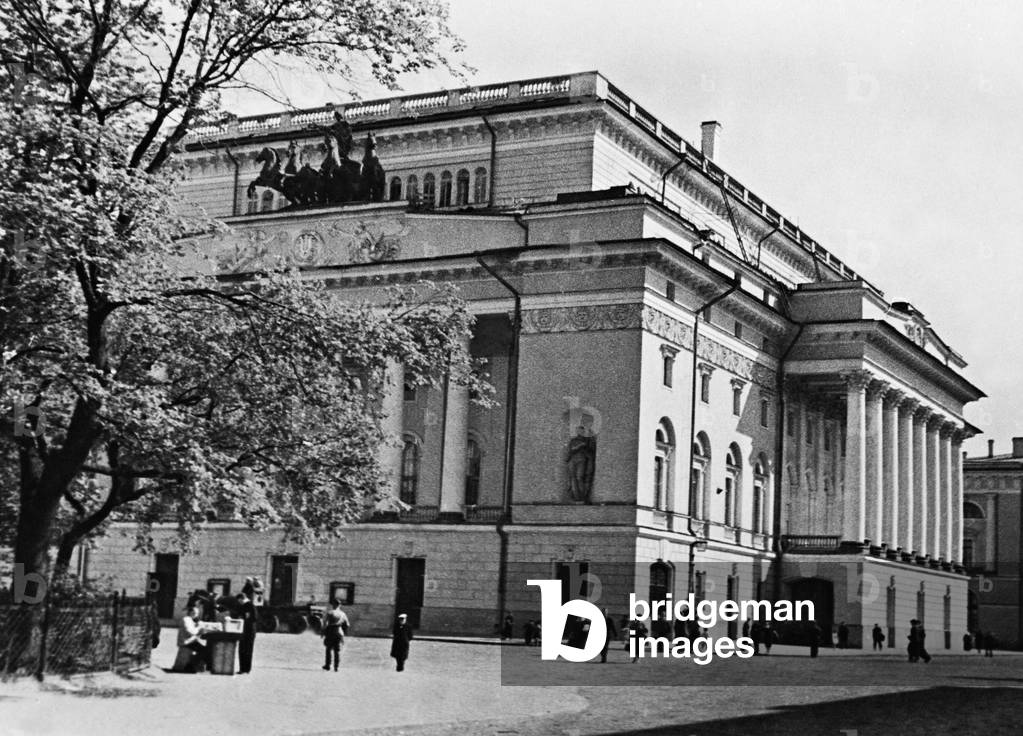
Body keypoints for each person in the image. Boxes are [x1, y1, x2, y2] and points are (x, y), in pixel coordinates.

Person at [176, 602, 212, 673]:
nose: (197, 615)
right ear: (191, 612)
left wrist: (201, 629)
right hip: (186, 641)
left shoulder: (190, 620)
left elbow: (195, 632)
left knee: (207, 649)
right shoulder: (186, 620)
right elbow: (191, 632)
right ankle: (190, 666)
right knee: (204, 650)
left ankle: (205, 667)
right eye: (196, 613)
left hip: (190, 641)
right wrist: (198, 627)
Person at [322, 599, 350, 671]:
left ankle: (328, 665)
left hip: (330, 631)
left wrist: (323, 632)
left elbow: (325, 623)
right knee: (337, 651)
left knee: (328, 649)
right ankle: (336, 667)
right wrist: (343, 633)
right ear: (339, 605)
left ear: (333, 605)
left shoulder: (330, 612)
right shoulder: (343, 614)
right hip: (339, 632)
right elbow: (347, 624)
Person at [236, 591, 258, 674]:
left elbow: (254, 618)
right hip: (244, 631)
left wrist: (244, 617)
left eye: (239, 601)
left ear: (242, 598)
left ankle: (246, 669)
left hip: (249, 631)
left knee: (247, 650)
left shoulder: (250, 605)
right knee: (242, 650)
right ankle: (243, 668)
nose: (239, 603)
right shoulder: (244, 606)